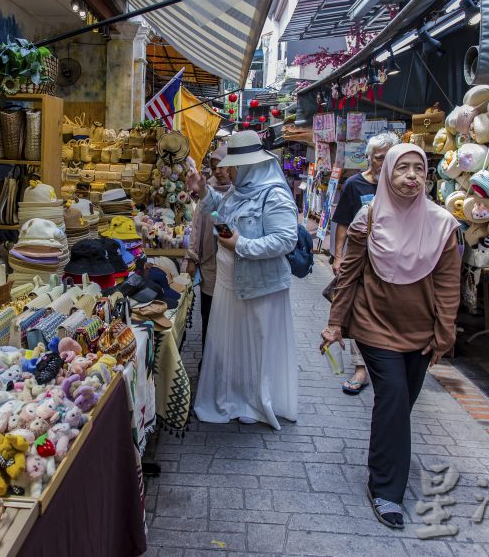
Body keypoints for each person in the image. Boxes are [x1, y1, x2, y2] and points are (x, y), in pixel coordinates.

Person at [319, 144, 460, 530]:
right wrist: (336, 323)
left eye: (419, 169)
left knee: (401, 405)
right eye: (403, 169)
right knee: (393, 397)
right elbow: (348, 275)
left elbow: (448, 284)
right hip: (373, 324)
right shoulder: (369, 218)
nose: (411, 176)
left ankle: (387, 459)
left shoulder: (442, 224)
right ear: (387, 174)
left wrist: (444, 334)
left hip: (420, 330)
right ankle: (386, 490)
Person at [186, 130, 299, 429]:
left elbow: (286, 240)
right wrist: (203, 192)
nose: (229, 171)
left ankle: (253, 400)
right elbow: (220, 213)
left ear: (249, 166)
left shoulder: (273, 194)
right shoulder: (240, 190)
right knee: (234, 345)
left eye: (233, 166)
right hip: (231, 283)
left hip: (258, 286)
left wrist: (242, 246)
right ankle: (236, 395)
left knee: (257, 344)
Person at [329, 131, 400, 395]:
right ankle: (361, 367)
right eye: (379, 157)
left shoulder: (401, 186)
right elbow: (343, 223)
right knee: (360, 311)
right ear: (369, 158)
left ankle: (385, 358)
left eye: (389, 157)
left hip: (394, 264)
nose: (383, 163)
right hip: (362, 261)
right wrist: (339, 257)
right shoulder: (355, 185)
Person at [184, 144, 232, 369]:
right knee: (208, 313)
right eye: (214, 168)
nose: (218, 172)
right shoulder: (207, 192)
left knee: (227, 319)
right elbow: (197, 225)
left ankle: (226, 363)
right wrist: (192, 257)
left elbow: (226, 228)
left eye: (222, 167)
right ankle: (208, 361)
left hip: (231, 266)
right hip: (210, 264)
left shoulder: (238, 193)